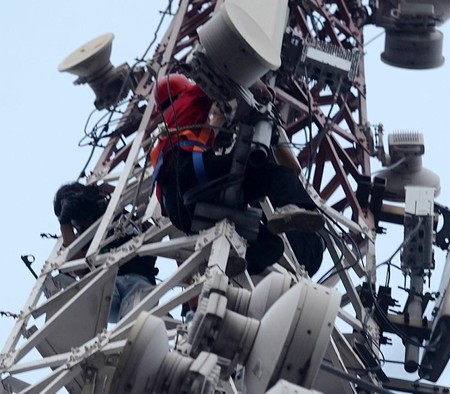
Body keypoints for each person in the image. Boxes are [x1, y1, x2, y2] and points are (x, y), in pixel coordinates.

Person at [150, 73, 325, 276]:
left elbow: (208, 133)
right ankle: (290, 207)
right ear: (182, 90)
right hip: (190, 173)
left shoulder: (170, 126)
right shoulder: (190, 98)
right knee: (269, 173)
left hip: (179, 210)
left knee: (270, 243)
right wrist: (258, 84)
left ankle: (237, 259)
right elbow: (224, 71)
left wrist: (221, 120)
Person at [53, 182, 159, 323]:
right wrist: (64, 221)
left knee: (133, 324)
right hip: (106, 285)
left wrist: (116, 193)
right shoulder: (81, 240)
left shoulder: (114, 210)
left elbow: (154, 232)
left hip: (138, 280)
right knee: (95, 307)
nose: (84, 220)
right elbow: (77, 267)